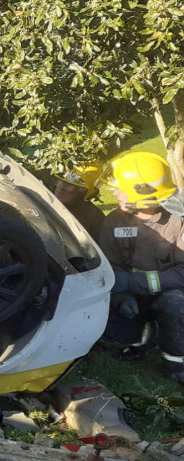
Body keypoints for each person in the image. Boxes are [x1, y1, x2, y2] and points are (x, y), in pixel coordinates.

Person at [97, 151, 184, 381]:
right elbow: (110, 263)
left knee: (176, 305)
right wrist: (121, 297)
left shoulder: (179, 222)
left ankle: (176, 362)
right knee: (107, 321)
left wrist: (133, 282)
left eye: (122, 189)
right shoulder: (114, 221)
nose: (116, 193)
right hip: (130, 296)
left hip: (170, 295)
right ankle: (142, 339)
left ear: (144, 195)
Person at [53, 161, 105, 240]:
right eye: (60, 182)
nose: (61, 188)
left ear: (83, 191)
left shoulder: (94, 218)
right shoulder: (44, 202)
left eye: (68, 185)